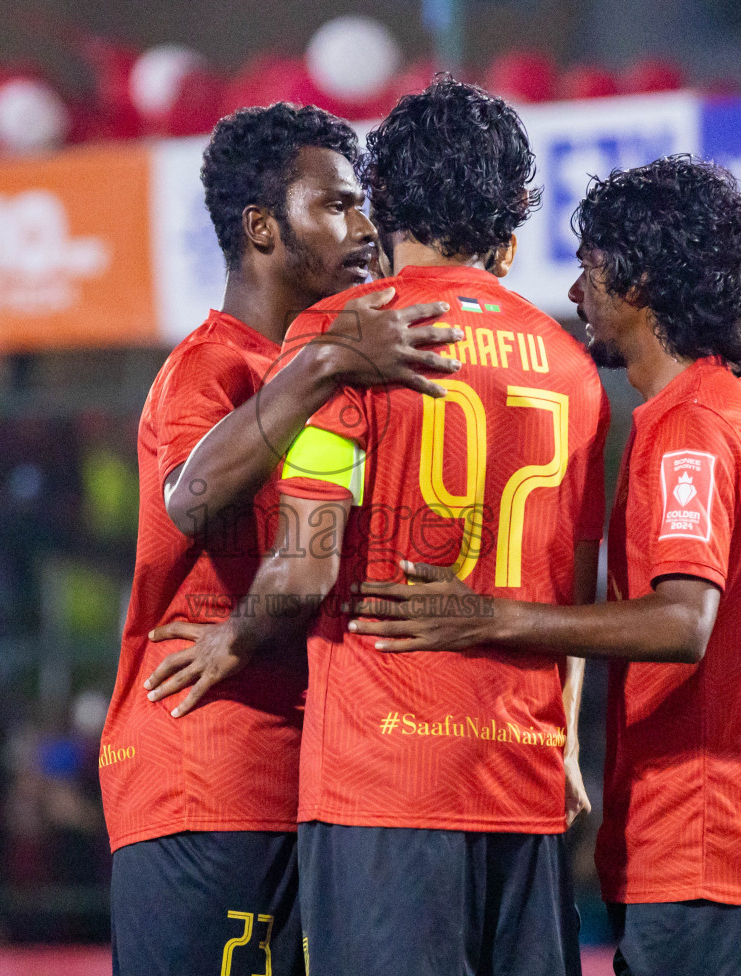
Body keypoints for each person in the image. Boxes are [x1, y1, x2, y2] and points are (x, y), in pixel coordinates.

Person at [147, 77, 606, 975]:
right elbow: (571, 589)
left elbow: (307, 567)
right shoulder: (573, 365)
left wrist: (232, 641)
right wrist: (566, 748)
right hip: (525, 779)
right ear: (510, 211)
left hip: (384, 785)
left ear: (387, 199)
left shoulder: (350, 333)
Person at [345, 154, 741, 976]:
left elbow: (682, 620)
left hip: (705, 841)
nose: (573, 294)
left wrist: (492, 616)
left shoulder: (692, 427)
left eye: (590, 271)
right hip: (712, 844)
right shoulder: (701, 410)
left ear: (641, 283)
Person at [100, 102, 462, 976]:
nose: (365, 228)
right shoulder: (210, 366)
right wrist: (326, 361)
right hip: (205, 771)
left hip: (315, 780)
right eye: (335, 205)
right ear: (261, 229)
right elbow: (189, 498)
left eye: (363, 204)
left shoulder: (350, 367)